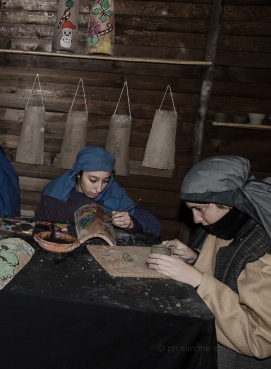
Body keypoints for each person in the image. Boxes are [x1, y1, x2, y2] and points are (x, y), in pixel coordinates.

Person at [147, 156, 271, 367]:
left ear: (227, 203)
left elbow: (259, 340)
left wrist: (198, 280)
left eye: (199, 208)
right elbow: (232, 270)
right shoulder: (231, 223)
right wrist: (195, 257)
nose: (195, 220)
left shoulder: (263, 249)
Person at [34, 146, 161, 236]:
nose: (99, 189)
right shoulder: (54, 194)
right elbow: (39, 230)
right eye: (93, 180)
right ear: (78, 174)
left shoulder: (113, 193)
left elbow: (154, 225)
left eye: (105, 180)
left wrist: (131, 223)